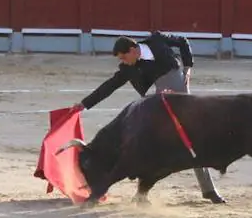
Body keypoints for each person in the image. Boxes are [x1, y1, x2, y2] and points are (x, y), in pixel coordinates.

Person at [78, 33, 225, 204]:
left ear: (133, 50)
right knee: (149, 145)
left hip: (177, 91)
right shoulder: (128, 68)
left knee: (190, 139)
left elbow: (182, 41)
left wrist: (188, 67)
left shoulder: (156, 40)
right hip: (155, 102)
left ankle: (208, 190)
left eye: (124, 57)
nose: (123, 61)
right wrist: (84, 104)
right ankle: (142, 192)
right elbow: (110, 86)